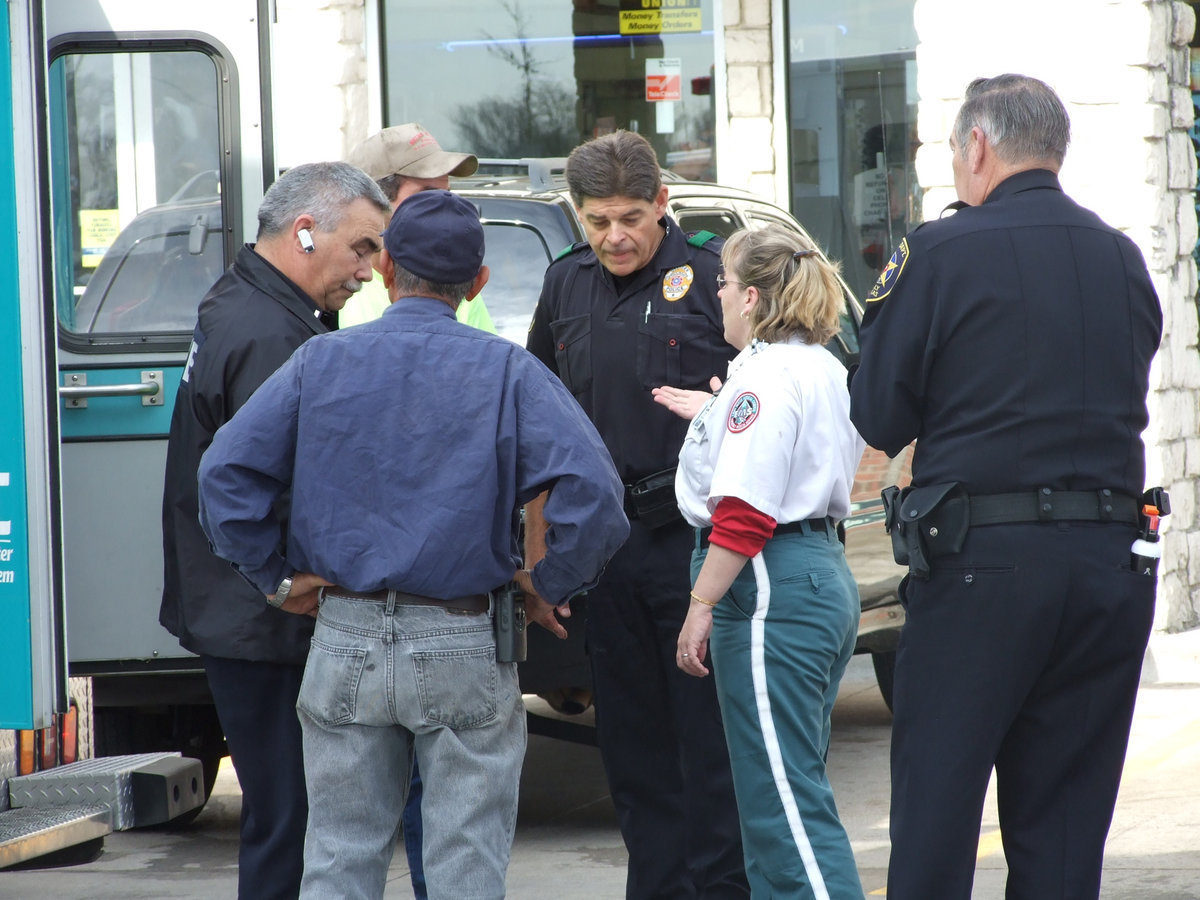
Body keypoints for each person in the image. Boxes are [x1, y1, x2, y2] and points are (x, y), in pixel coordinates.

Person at [195, 189, 630, 900]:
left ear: (389, 267)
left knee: (338, 859)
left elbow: (223, 474)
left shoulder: (318, 362)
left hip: (343, 637)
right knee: (464, 867)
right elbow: (598, 498)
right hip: (462, 638)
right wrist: (548, 584)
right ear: (479, 282)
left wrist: (276, 579)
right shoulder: (508, 371)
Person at [848, 74, 1163, 899]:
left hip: (982, 567)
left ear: (977, 146)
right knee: (1063, 829)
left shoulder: (943, 249)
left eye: (954, 153)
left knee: (937, 819)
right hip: (1109, 565)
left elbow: (880, 412)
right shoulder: (1122, 257)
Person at [525, 130, 749, 899]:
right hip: (607, 552)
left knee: (711, 750)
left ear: (662, 203)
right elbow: (540, 417)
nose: (614, 237)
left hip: (697, 548)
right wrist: (542, 557)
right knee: (633, 751)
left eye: (629, 217)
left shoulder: (719, 277)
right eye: (597, 222)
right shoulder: (566, 286)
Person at [159, 161, 390, 900]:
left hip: (245, 611)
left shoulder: (253, 303)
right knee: (289, 820)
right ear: (304, 231)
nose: (369, 270)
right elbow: (249, 487)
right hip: (263, 617)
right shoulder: (268, 335)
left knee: (288, 815)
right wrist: (282, 580)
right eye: (360, 248)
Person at [652, 224, 866, 899]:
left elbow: (745, 513)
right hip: (815, 571)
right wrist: (720, 409)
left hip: (770, 582)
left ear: (749, 296)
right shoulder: (819, 364)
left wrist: (701, 604)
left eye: (720, 283)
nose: (714, 294)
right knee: (784, 791)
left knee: (784, 810)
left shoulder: (766, 377)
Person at [343, 121, 496, 899]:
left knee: (359, 843)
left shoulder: (480, 330)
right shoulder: (343, 317)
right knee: (397, 826)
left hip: (413, 613)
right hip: (387, 612)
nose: (446, 201)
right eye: (426, 190)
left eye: (449, 188)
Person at [341, 122, 494, 332]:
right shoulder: (335, 285)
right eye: (425, 196)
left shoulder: (452, 282)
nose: (442, 207)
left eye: (446, 194)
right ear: (373, 200)